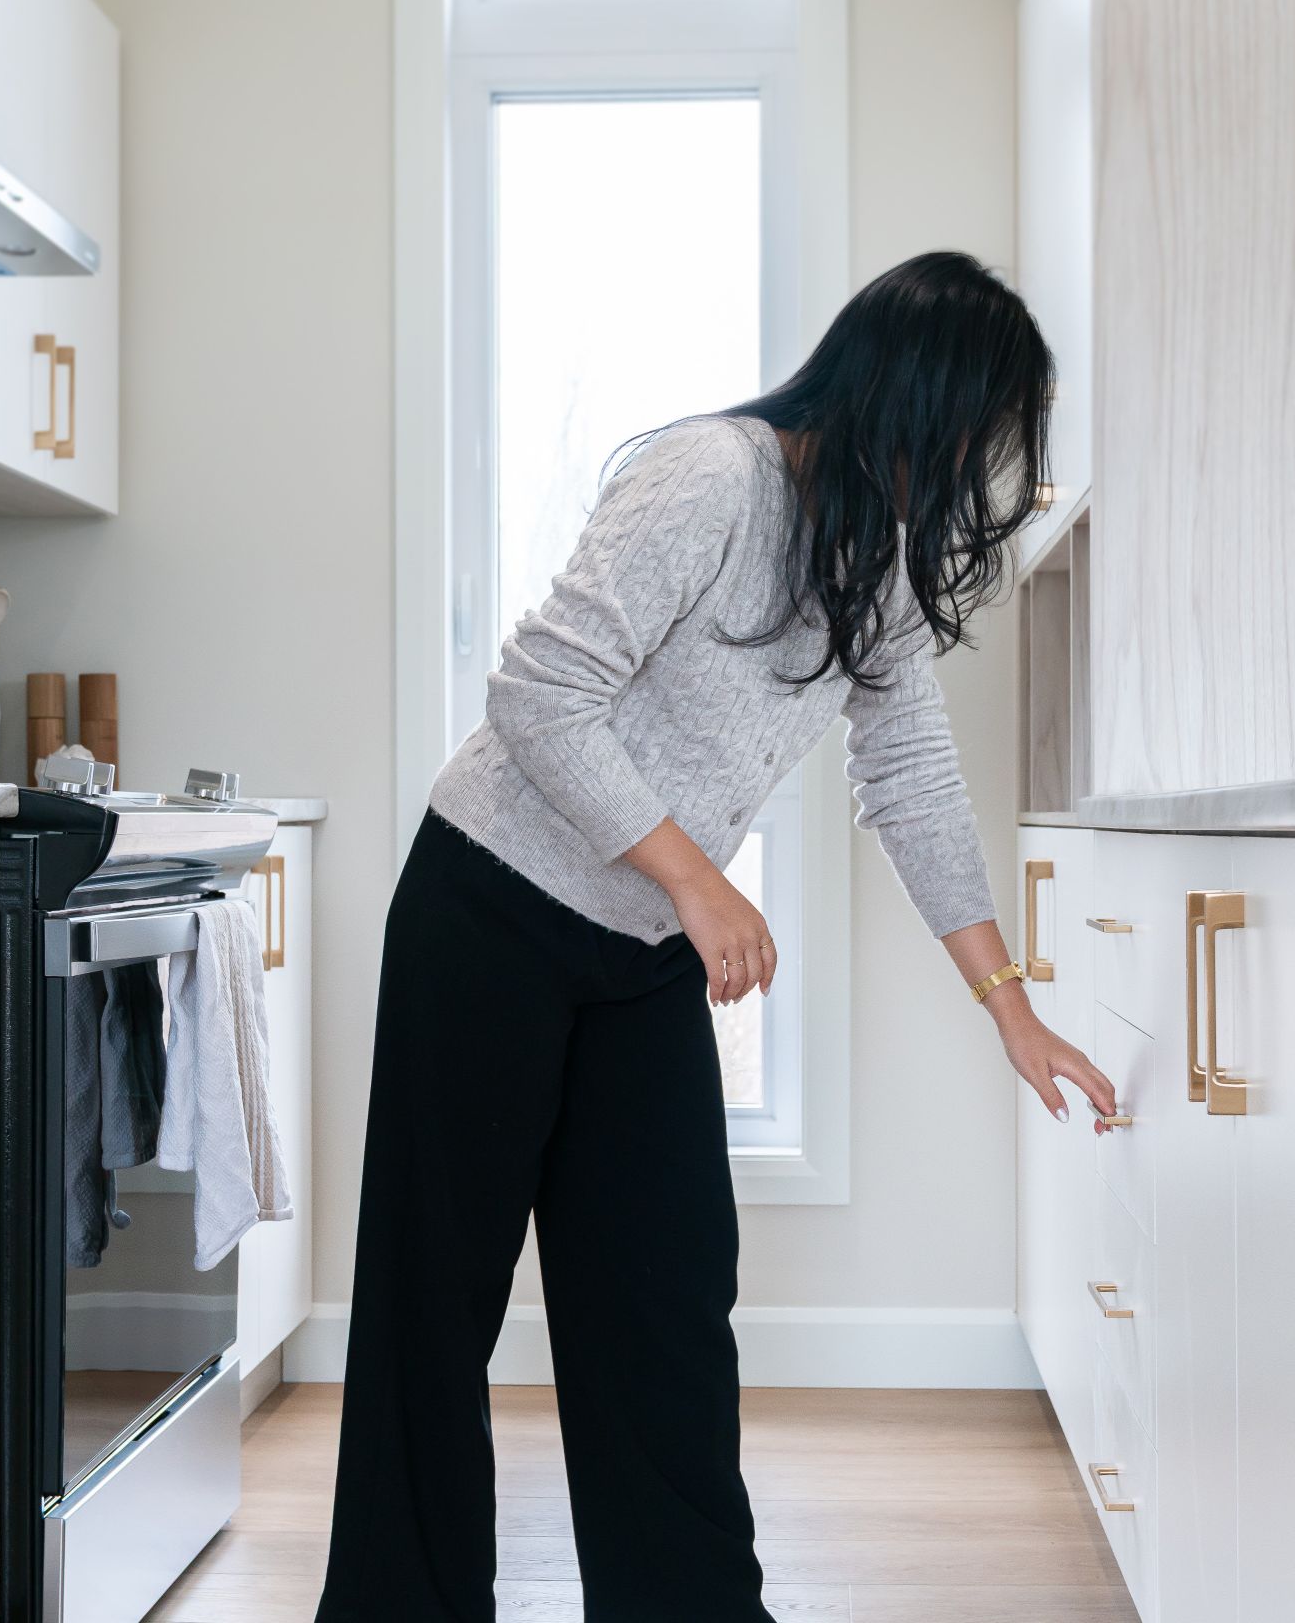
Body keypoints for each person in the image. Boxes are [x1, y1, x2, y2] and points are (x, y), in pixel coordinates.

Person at [315, 250, 1119, 1622]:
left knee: (665, 1317)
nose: (980, 480)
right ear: (914, 402)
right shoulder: (713, 478)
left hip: (633, 961)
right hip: (488, 910)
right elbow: (540, 693)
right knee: (431, 1312)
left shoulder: (865, 563)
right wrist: (696, 878)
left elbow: (912, 776)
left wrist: (1012, 1004)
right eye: (979, 440)